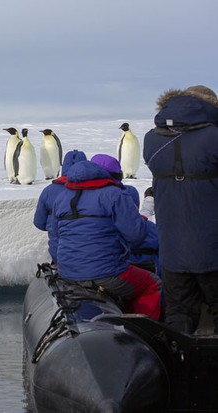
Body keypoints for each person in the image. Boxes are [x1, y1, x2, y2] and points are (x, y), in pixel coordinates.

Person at [143, 84, 218, 334]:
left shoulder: (151, 138)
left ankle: (178, 362)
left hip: (172, 249)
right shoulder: (213, 137)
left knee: (180, 313)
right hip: (212, 249)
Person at [51, 159, 161, 320]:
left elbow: (56, 233)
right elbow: (136, 235)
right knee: (151, 284)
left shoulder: (62, 196)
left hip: (68, 272)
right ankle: (142, 333)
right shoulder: (114, 194)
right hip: (107, 273)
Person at [90, 154, 160, 276]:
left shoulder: (77, 200)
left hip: (83, 268)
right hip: (115, 272)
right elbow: (140, 232)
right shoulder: (117, 199)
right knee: (155, 285)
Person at [33, 149, 87, 263]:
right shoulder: (95, 191)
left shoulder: (49, 190)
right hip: (90, 257)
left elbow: (39, 222)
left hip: (58, 255)